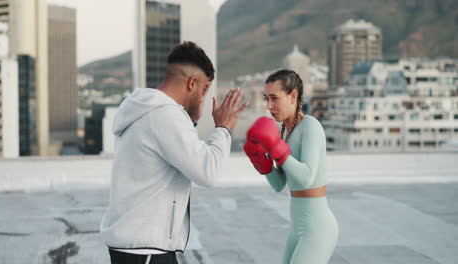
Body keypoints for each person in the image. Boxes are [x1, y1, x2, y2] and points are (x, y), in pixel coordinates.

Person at [100, 41, 248, 264]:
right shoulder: (165, 115)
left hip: (137, 248)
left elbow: (177, 156)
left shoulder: (145, 109)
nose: (203, 97)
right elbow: (207, 172)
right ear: (192, 83)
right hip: (147, 251)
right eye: (205, 89)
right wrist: (223, 128)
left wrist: (192, 121)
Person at [244, 69, 338, 264]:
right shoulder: (283, 133)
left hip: (318, 229)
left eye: (274, 98)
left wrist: (276, 148)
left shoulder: (310, 126)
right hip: (297, 228)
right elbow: (279, 184)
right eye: (266, 99)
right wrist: (262, 162)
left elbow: (306, 178)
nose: (269, 106)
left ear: (293, 96)